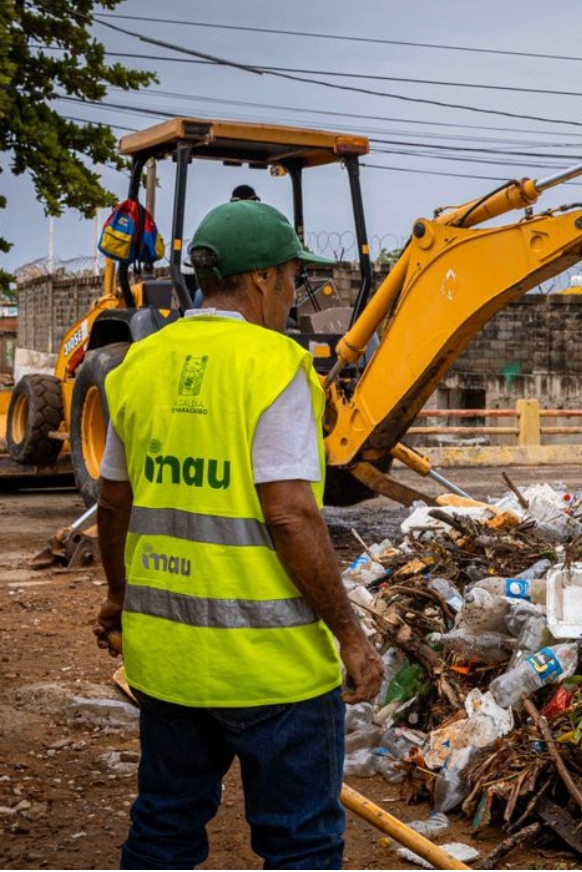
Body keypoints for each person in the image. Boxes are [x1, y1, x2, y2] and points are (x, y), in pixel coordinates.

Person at [93, 200, 384, 869]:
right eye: (291, 279)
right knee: (300, 843)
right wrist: (350, 636)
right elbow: (289, 514)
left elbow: (115, 501)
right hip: (272, 671)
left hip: (169, 663)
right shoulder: (276, 364)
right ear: (263, 280)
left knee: (163, 829)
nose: (292, 295)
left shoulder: (139, 362)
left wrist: (119, 598)